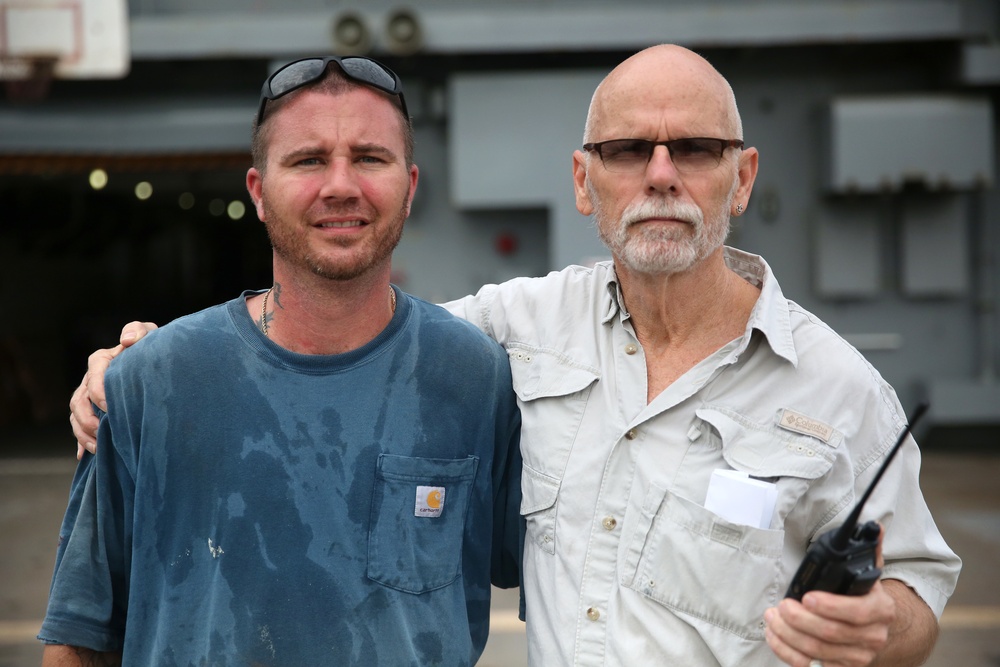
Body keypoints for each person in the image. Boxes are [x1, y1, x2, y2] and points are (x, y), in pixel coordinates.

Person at [70, 45, 961, 666]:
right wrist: (141, 365)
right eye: (626, 151)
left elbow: (919, 590)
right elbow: (336, 324)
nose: (660, 174)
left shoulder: (842, 390)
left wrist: (884, 623)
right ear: (584, 181)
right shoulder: (513, 330)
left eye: (694, 149)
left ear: (745, 174)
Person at [43, 55, 523, 666]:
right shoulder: (148, 381)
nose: (341, 185)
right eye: (308, 160)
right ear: (259, 193)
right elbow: (78, 642)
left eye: (370, 158)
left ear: (410, 187)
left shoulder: (473, 376)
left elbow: (569, 574)